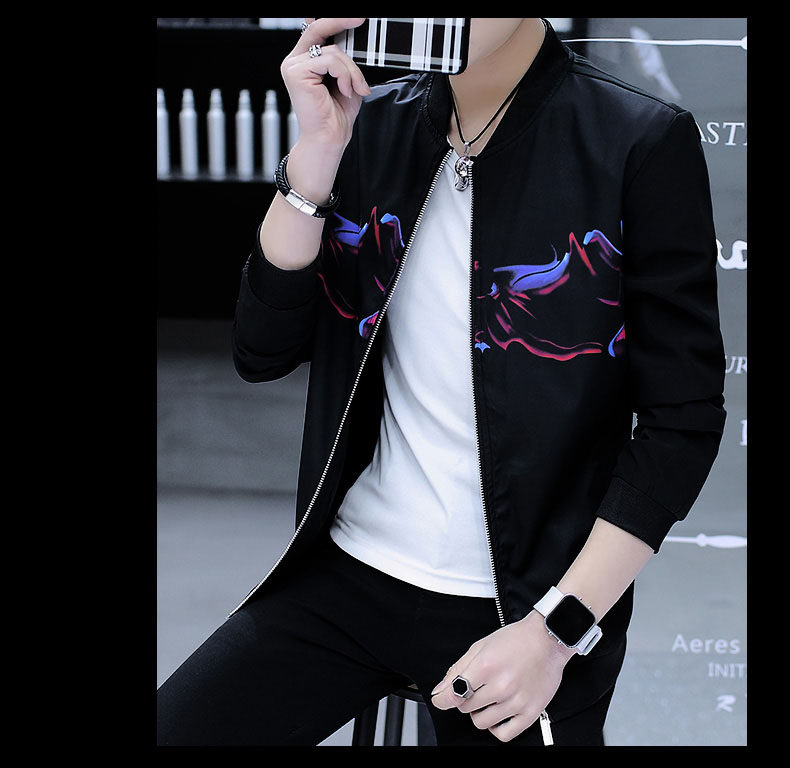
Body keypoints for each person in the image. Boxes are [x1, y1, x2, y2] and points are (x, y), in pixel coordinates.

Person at [156, 17, 726, 746]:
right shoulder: (373, 126)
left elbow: (683, 422)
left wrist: (557, 631)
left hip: (522, 609)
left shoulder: (635, 139)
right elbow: (261, 350)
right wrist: (316, 157)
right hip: (347, 574)